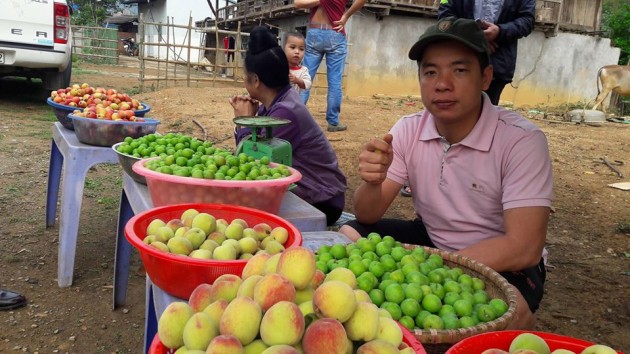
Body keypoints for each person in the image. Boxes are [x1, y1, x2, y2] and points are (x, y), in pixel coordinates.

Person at [339, 17, 553, 329]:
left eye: (460, 69)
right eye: (430, 72)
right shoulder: (408, 129)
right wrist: (373, 182)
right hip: (433, 240)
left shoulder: (521, 141)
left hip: (503, 258)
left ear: (486, 77)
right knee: (350, 234)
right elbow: (367, 214)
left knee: (509, 314)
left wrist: (431, 267)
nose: (442, 83)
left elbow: (524, 246)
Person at [231, 26, 347, 226]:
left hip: (322, 200)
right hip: (317, 193)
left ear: (256, 80)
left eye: (245, 76)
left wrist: (244, 124)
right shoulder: (278, 103)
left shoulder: (285, 113)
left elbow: (251, 163)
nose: (243, 81)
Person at [438, 0, 536, 105]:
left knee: (487, 112)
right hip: (459, 59)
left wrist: (500, 31)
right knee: (454, 108)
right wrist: (472, 36)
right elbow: (445, 15)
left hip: (497, 63)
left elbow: (527, 20)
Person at [295, 0, 366, 132]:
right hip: (335, 31)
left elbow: (297, 3)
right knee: (335, 81)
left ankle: (295, 117)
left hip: (314, 31)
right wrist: (346, 15)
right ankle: (333, 122)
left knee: (305, 78)